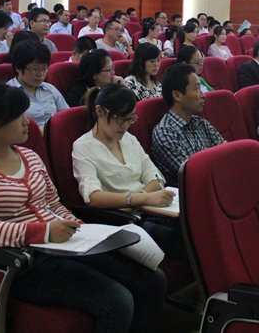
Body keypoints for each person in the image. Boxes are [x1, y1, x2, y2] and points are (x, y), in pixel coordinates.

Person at [0, 82, 166, 331]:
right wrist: (43, 232)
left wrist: (81, 231)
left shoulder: (29, 157)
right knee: (118, 301)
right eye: (19, 117)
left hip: (64, 247)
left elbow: (54, 203)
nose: (27, 122)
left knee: (153, 280)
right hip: (23, 262)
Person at [72, 84, 183, 254]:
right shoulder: (83, 147)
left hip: (150, 210)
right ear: (100, 111)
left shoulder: (129, 139)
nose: (125, 125)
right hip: (124, 221)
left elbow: (156, 177)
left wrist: (142, 199)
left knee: (194, 222)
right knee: (180, 237)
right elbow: (93, 198)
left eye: (130, 119)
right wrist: (144, 198)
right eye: (120, 119)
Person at [151, 63, 224, 186]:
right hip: (196, 192)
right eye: (197, 89)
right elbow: (193, 174)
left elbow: (225, 152)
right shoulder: (164, 132)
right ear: (177, 95)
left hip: (218, 182)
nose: (203, 95)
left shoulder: (201, 123)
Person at [7, 42, 67, 129]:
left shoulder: (50, 89)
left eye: (44, 69)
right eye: (35, 69)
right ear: (18, 68)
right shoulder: (8, 94)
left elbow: (66, 116)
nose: (40, 74)